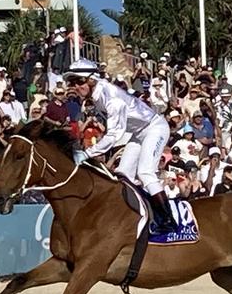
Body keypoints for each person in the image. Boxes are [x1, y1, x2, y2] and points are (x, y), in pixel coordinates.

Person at [64, 58, 175, 235]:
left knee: (145, 172)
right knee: (123, 173)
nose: (76, 86)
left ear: (91, 79)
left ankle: (168, 220)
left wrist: (88, 153)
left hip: (155, 128)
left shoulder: (111, 99)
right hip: (139, 133)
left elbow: (114, 135)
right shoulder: (97, 94)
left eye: (79, 81)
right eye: (72, 82)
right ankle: (137, 216)